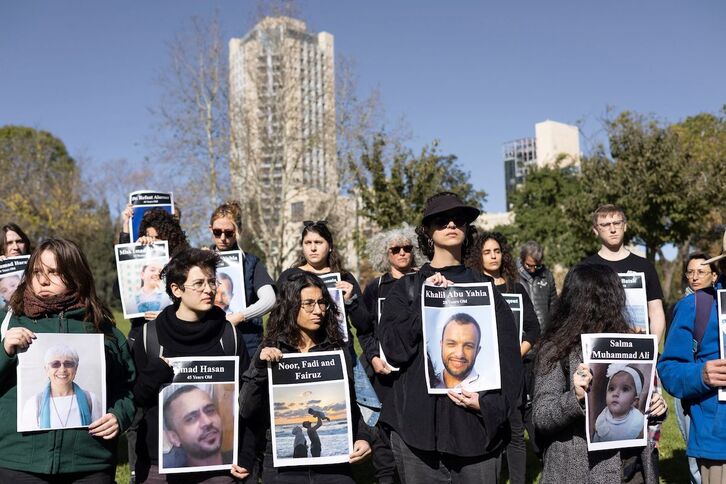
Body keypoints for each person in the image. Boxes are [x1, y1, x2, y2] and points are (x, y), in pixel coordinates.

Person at [378, 191, 522, 483]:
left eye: (459, 219)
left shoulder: (486, 290)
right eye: (441, 220)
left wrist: (488, 405)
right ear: (428, 232)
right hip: (418, 437)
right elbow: (394, 351)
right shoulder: (407, 288)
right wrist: (425, 301)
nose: (452, 224)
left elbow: (509, 361)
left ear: (468, 229)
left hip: (477, 437)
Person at [0, 238, 136, 482]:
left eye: (54, 272)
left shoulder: (101, 327)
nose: (42, 280)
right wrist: (5, 351)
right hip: (18, 462)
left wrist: (118, 416)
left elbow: (127, 387)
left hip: (89, 462)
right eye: (36, 272)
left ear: (75, 275)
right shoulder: (8, 321)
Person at [533, 264, 667, 484]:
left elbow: (642, 398)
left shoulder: (628, 341)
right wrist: (575, 397)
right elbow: (541, 415)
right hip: (579, 471)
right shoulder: (555, 348)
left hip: (630, 468)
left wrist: (656, 407)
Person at [131, 248, 255, 482]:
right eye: (198, 283)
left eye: (211, 281)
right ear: (176, 290)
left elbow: (247, 400)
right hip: (159, 467)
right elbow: (133, 399)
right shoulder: (149, 336)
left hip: (221, 471)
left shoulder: (229, 335)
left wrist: (246, 454)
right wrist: (154, 374)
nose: (209, 289)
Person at [239, 272, 373, 483]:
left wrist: (363, 438)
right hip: (281, 466)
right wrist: (259, 368)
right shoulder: (272, 349)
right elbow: (246, 408)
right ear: (291, 306)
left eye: (322, 303)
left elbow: (351, 405)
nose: (318, 310)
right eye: (308, 304)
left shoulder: (337, 350)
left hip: (334, 464)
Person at [465, 231, 541, 484]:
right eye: (487, 252)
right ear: (479, 256)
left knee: (516, 432)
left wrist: (514, 354)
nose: (493, 256)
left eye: (496, 251)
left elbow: (533, 329)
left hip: (512, 372)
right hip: (481, 374)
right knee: (490, 429)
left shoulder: (516, 288)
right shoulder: (472, 288)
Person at [658, 251, 726, 484]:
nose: (695, 276)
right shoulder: (696, 305)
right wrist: (701, 375)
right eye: (690, 272)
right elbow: (669, 369)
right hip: (719, 440)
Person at [361, 225, 420, 484]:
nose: (402, 253)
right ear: (385, 254)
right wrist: (374, 357)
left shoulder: (425, 282)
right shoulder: (375, 288)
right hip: (383, 373)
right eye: (395, 249)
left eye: (407, 248)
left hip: (416, 373)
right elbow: (364, 330)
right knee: (382, 432)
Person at [581, 204, 665, 341]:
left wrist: (653, 346)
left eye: (617, 223)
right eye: (606, 225)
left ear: (625, 226)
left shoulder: (644, 266)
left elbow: (656, 311)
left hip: (638, 349)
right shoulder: (585, 268)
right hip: (599, 349)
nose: (613, 229)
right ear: (595, 230)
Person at [208, 201, 276, 356]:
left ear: (238, 231)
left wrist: (240, 316)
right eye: (218, 232)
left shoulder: (251, 262)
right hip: (210, 339)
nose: (223, 238)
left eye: (229, 232)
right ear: (210, 230)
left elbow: (270, 300)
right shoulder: (199, 260)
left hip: (247, 342)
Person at [21, 343, 103, 430]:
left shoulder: (91, 399)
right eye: (55, 364)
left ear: (76, 368)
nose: (62, 369)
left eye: (68, 364)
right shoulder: (33, 403)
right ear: (47, 369)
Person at [161, 385, 233, 468]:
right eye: (191, 418)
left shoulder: (240, 459)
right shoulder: (175, 479)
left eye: (210, 411)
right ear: (174, 438)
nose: (207, 422)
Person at [592, 364, 646, 443]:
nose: (615, 394)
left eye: (625, 389)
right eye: (611, 388)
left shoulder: (637, 421)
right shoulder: (602, 419)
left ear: (634, 401)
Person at [518, 240, 557, 331]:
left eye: (536, 266)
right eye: (529, 266)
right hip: (521, 334)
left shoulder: (547, 276)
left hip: (543, 334)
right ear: (522, 259)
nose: (533, 270)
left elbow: (554, 306)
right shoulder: (512, 277)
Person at [434, 313, 481, 389]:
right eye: (452, 344)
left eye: (468, 346)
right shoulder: (428, 384)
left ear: (477, 351)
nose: (459, 354)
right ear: (441, 345)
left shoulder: (490, 391)